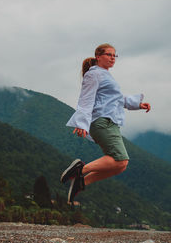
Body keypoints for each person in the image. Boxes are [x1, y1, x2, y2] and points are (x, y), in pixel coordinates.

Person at [60, 43, 151, 203]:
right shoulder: (94, 74)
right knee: (120, 160)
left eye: (115, 55)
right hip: (102, 121)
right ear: (98, 56)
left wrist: (137, 104)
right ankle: (80, 170)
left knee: (120, 166)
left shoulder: (106, 75)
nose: (112, 58)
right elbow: (86, 98)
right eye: (109, 54)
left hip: (110, 122)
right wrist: (81, 122)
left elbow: (115, 99)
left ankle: (81, 183)